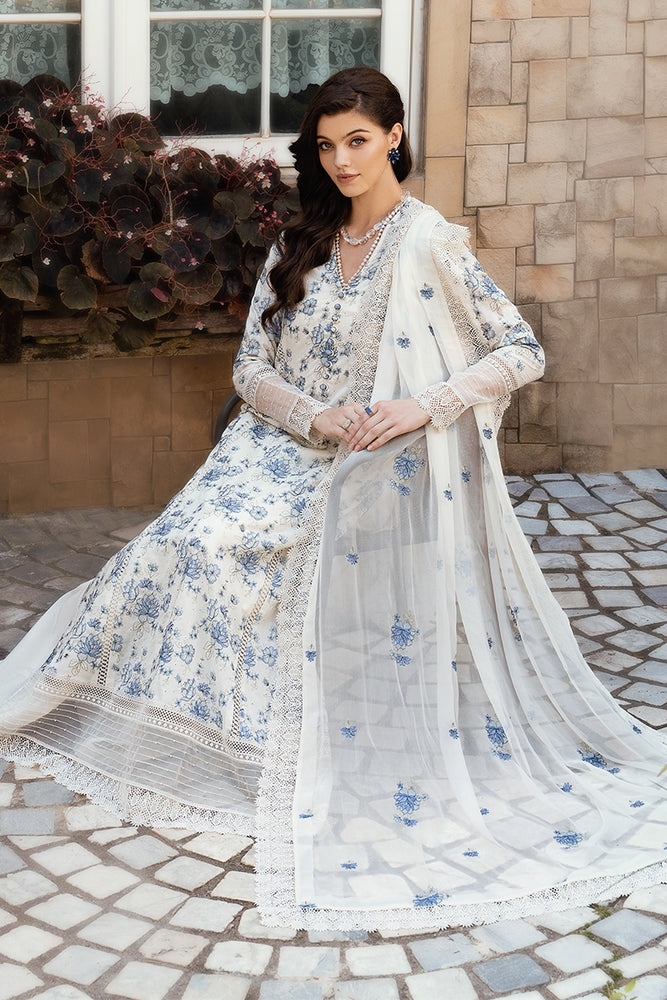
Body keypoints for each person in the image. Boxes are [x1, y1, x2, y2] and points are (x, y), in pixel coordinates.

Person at [0, 68, 664, 933]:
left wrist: (420, 406)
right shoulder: (299, 241)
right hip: (276, 444)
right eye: (326, 145)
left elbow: (518, 350)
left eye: (357, 141)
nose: (342, 160)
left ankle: (258, 751)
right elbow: (250, 368)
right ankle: (156, 723)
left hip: (368, 461)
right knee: (174, 545)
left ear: (393, 137)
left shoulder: (428, 243)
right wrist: (311, 413)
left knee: (224, 550)